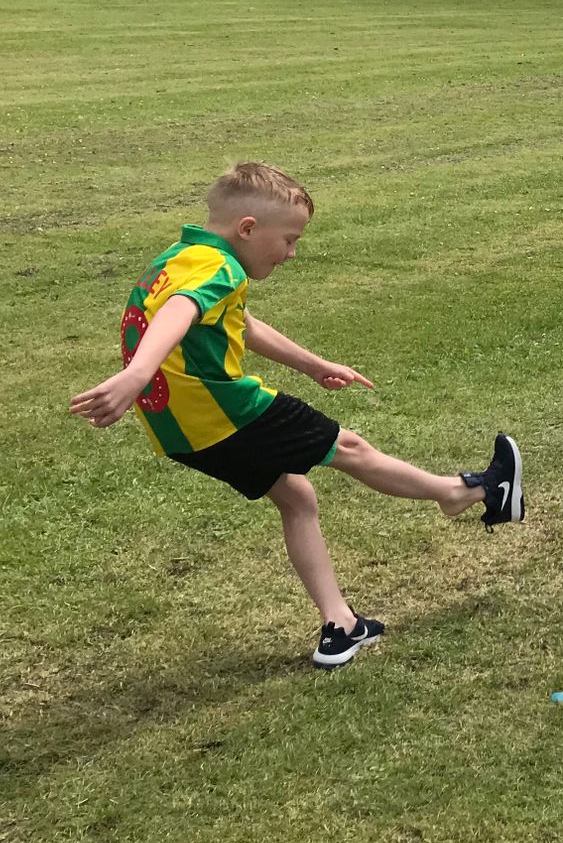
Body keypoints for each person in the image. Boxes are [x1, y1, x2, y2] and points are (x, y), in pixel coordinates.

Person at [70, 162, 524, 669]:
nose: (291, 253)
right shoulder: (220, 268)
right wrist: (136, 374)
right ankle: (465, 493)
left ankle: (341, 626)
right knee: (350, 448)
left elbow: (238, 321)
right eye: (289, 239)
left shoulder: (177, 257)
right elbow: (181, 311)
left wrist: (313, 365)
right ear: (247, 228)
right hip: (229, 413)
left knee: (296, 496)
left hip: (181, 433)